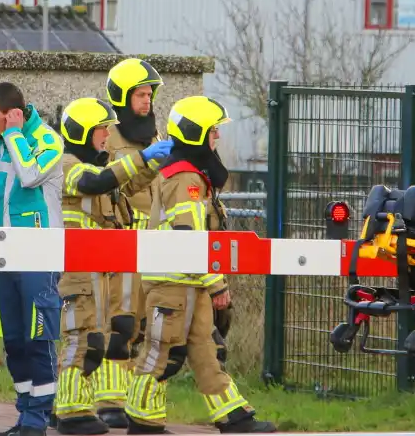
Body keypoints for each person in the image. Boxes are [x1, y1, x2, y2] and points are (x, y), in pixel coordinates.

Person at [125, 96, 275, 435]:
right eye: (213, 131)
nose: (217, 138)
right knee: (162, 354)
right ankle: (141, 419)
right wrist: (216, 282)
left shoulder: (189, 175)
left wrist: (209, 281)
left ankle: (234, 417)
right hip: (174, 283)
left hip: (188, 281)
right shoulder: (185, 180)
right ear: (196, 134)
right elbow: (189, 237)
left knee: (209, 350)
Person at [53, 97, 173, 436]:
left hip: (100, 270)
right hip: (77, 270)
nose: (107, 134)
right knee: (82, 340)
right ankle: (71, 412)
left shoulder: (101, 168)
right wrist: (141, 158)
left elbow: (123, 184)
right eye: (101, 129)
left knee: (100, 340)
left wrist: (151, 165)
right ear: (82, 133)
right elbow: (94, 183)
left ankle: (75, 407)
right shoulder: (67, 164)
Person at [0, 82, 64, 436]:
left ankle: (38, 419)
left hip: (38, 253)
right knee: (13, 340)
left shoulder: (47, 140)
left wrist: (14, 134)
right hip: (5, 254)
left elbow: (29, 176)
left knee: (37, 337)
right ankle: (24, 416)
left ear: (12, 113)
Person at [96, 58, 166, 429]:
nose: (146, 102)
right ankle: (108, 399)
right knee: (118, 322)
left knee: (142, 327)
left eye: (149, 94)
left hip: (152, 247)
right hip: (118, 241)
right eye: (139, 94)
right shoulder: (109, 138)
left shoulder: (152, 138)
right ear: (121, 97)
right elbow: (105, 186)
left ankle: (129, 399)